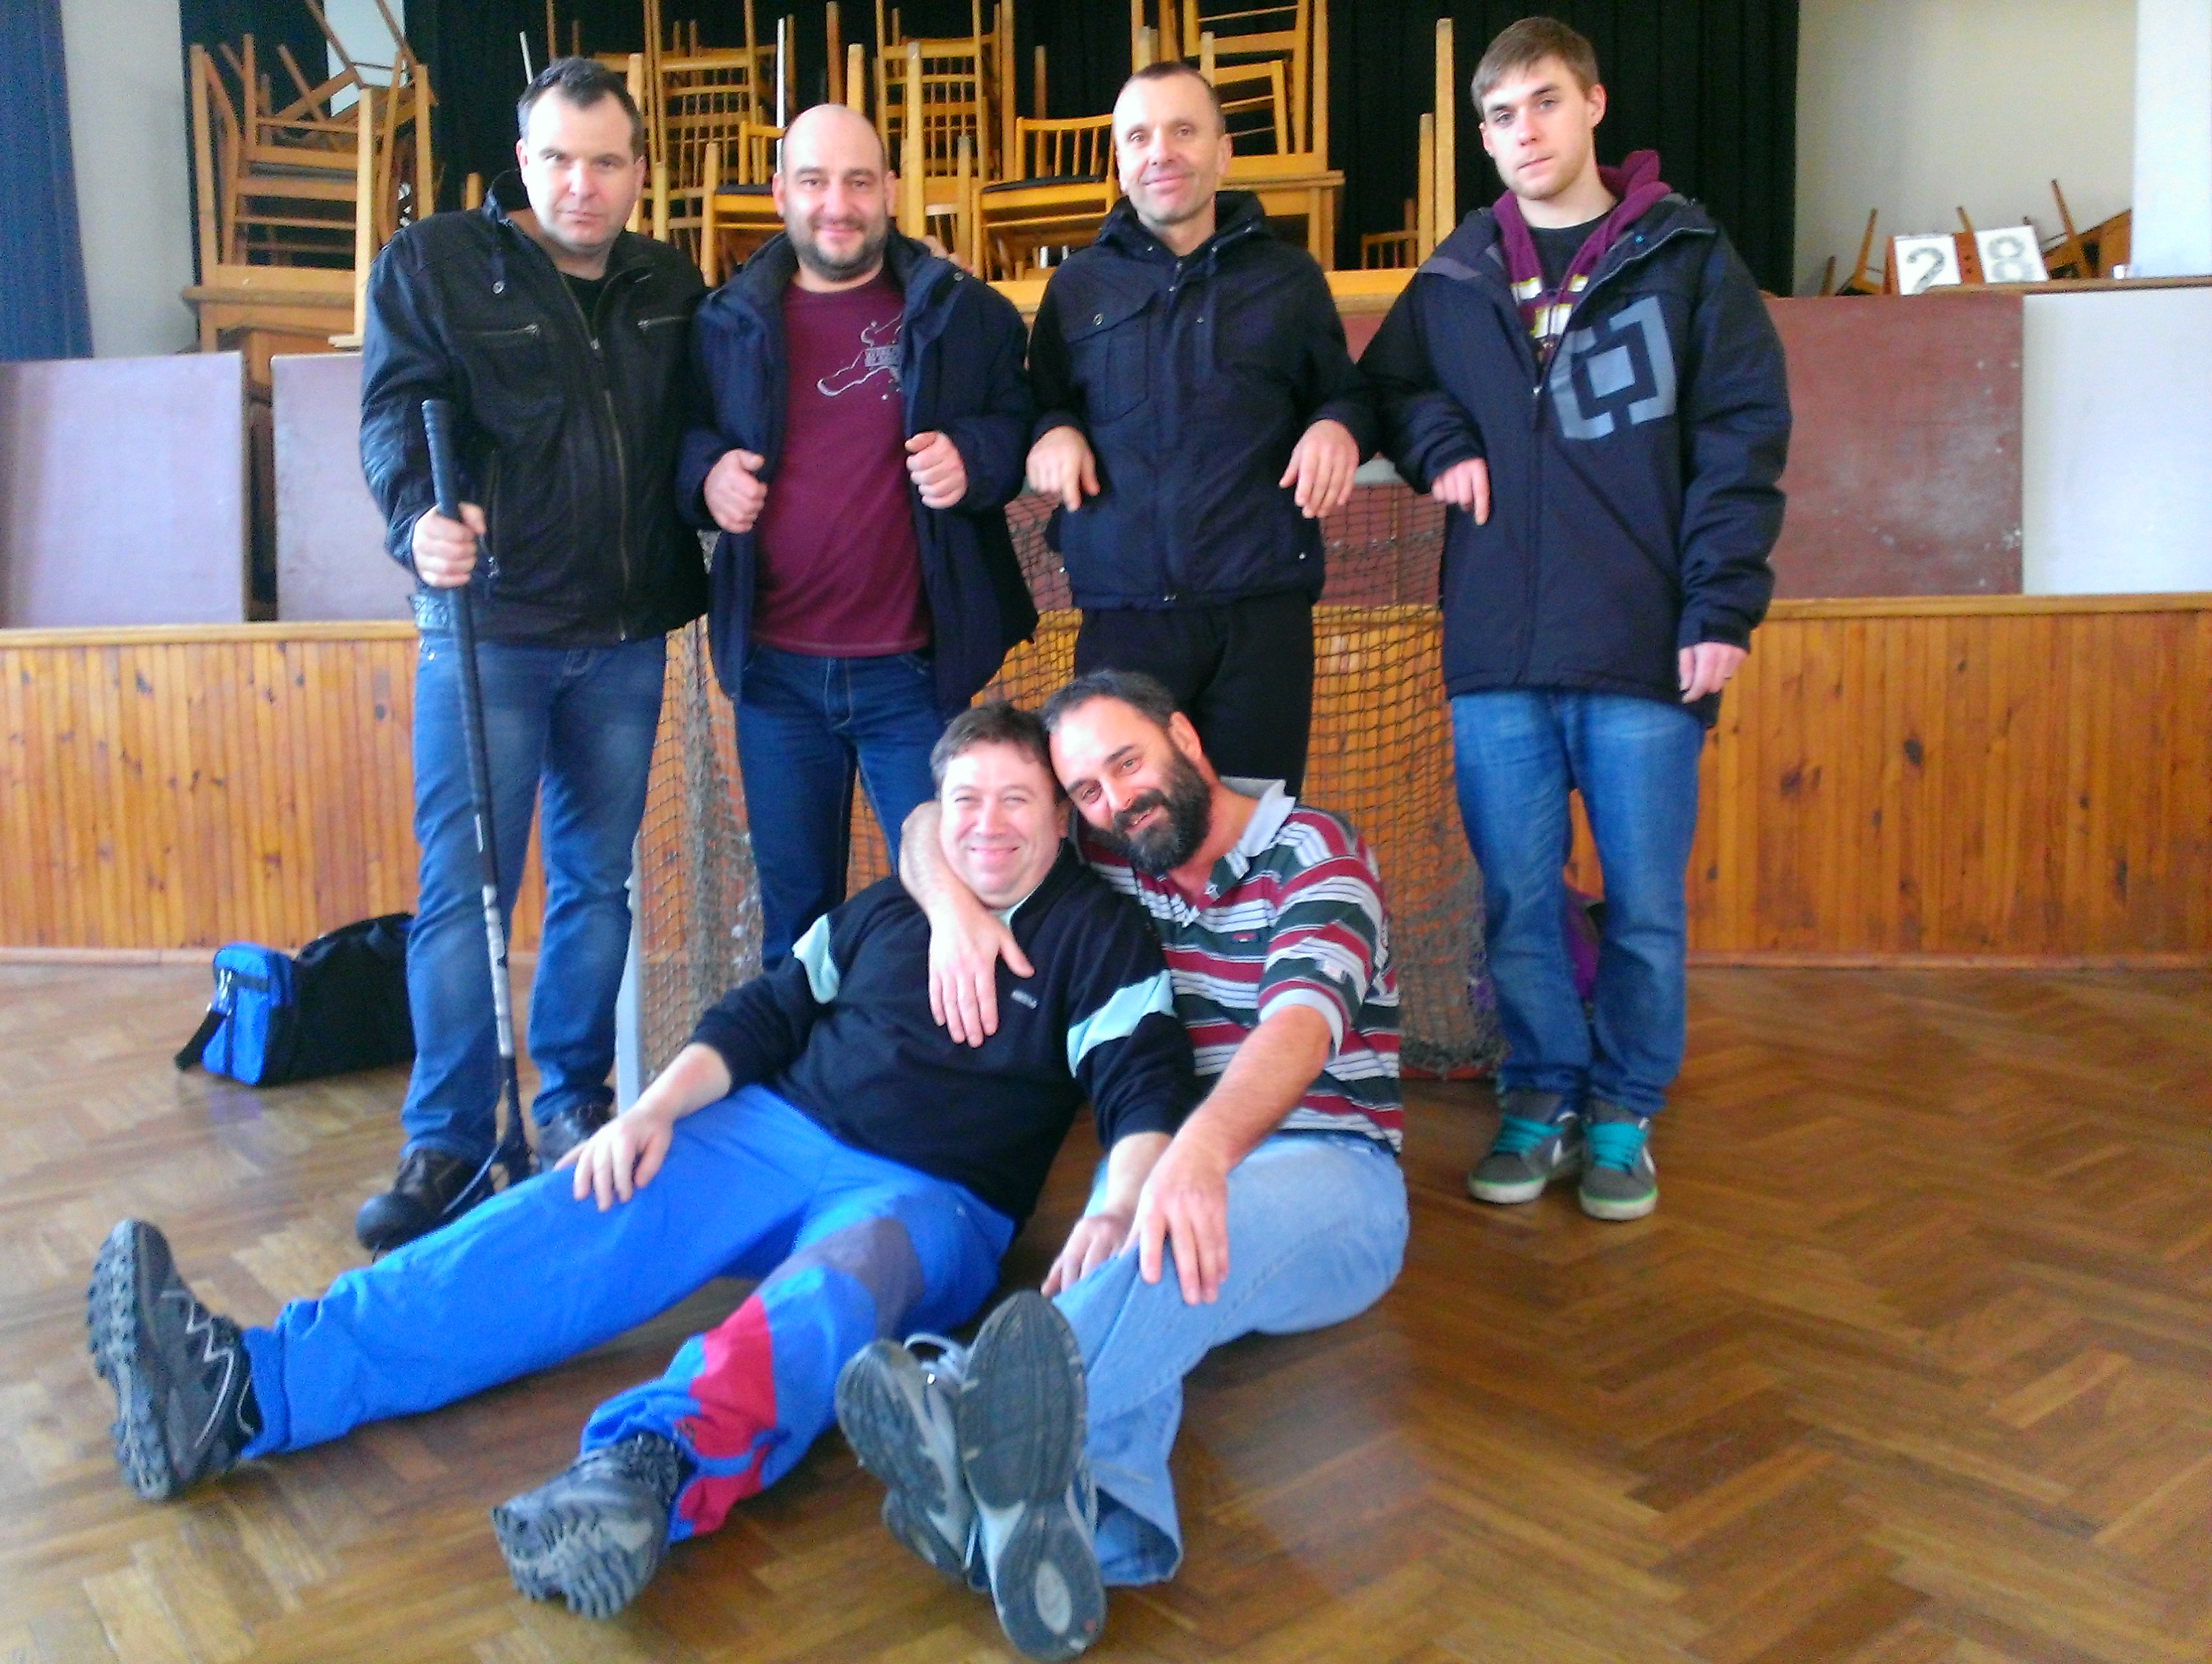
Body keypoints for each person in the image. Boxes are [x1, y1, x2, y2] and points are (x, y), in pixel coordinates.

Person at [85, 704, 1201, 1624]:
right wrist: (649, 1112)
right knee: (577, 1202)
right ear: (935, 812)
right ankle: (251, 1387)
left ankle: (642, 1472)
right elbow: (762, 1014)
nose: (988, 825)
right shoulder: (884, 907)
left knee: (831, 1292)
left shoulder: (1099, 937)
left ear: (1059, 816)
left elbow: (1143, 1088)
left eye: (1016, 799)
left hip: (929, 1201)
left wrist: (1114, 1207)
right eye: (965, 800)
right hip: (773, 1130)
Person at [850, 670, 1407, 1661]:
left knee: (1162, 1224)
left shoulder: (1317, 852)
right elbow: (933, 824)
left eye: (1128, 763)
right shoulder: (1120, 859)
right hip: (1182, 1164)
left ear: (1185, 739)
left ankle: (965, 1406)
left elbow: (1297, 1030)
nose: (1116, 801)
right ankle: (1090, 1530)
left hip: (1336, 1171)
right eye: (1089, 791)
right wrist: (953, 914)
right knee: (1138, 1240)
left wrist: (1193, 1155)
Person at [1364, 16, 1791, 1221]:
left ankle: (1622, 1112)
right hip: (1495, 653)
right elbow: (1388, 386)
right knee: (1517, 900)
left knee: (1645, 907)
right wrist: (1440, 442)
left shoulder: (1684, 256)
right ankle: (1540, 1092)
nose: (1523, 132)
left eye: (1544, 102)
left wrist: (1719, 606)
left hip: (1643, 646)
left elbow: (1740, 441)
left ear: (1593, 105)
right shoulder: (1455, 274)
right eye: (1499, 116)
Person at [354, 58, 708, 1251]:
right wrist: (417, 517)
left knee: (596, 885)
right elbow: (392, 414)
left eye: (605, 162)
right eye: (558, 159)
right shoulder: (437, 264)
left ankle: (570, 1107)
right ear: (522, 161)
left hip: (623, 635)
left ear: (640, 171)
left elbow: (696, 429)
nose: (580, 185)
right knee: (465, 894)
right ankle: (449, 1138)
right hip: (488, 631)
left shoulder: (667, 283)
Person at [679, 104, 1037, 968]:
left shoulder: (963, 313)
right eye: (814, 182)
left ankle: (939, 1057)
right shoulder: (722, 322)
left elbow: (1021, 424)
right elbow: (680, 435)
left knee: (951, 908)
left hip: (912, 676)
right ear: (780, 195)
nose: (836, 204)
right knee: (795, 931)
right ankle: (805, 1060)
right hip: (775, 679)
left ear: (890, 191)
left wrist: (975, 457)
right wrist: (706, 474)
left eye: (858, 182)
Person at [1023, 63, 1377, 795]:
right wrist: (1052, 429)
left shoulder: (1290, 279)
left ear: (1223, 152)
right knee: (1130, 836)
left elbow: (1349, 396)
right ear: (1119, 161)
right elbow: (1040, 406)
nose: (1162, 152)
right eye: (1139, 137)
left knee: (1255, 832)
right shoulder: (1077, 287)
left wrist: (1337, 427)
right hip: (1123, 622)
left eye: (1184, 130)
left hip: (1261, 616)